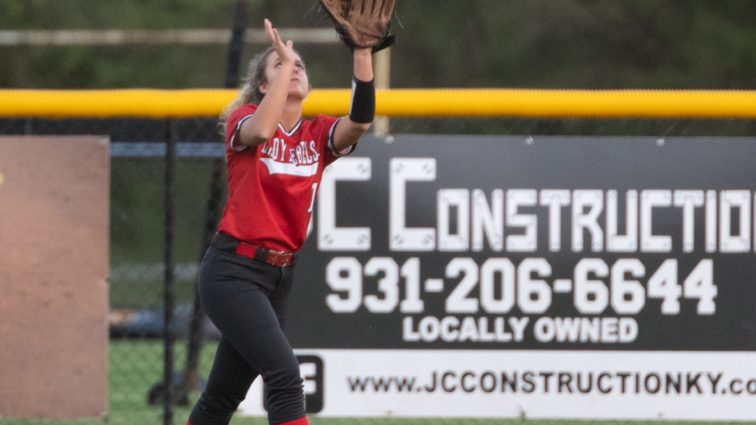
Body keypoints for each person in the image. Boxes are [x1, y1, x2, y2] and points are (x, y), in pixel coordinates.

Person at [186, 18, 377, 425]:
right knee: (286, 378)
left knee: (222, 397)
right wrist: (286, 61)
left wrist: (362, 55)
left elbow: (359, 121)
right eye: (282, 64)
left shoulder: (315, 134)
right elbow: (261, 131)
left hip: (278, 278)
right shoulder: (245, 118)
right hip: (232, 271)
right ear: (262, 85)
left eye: (300, 65)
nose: (294, 67)